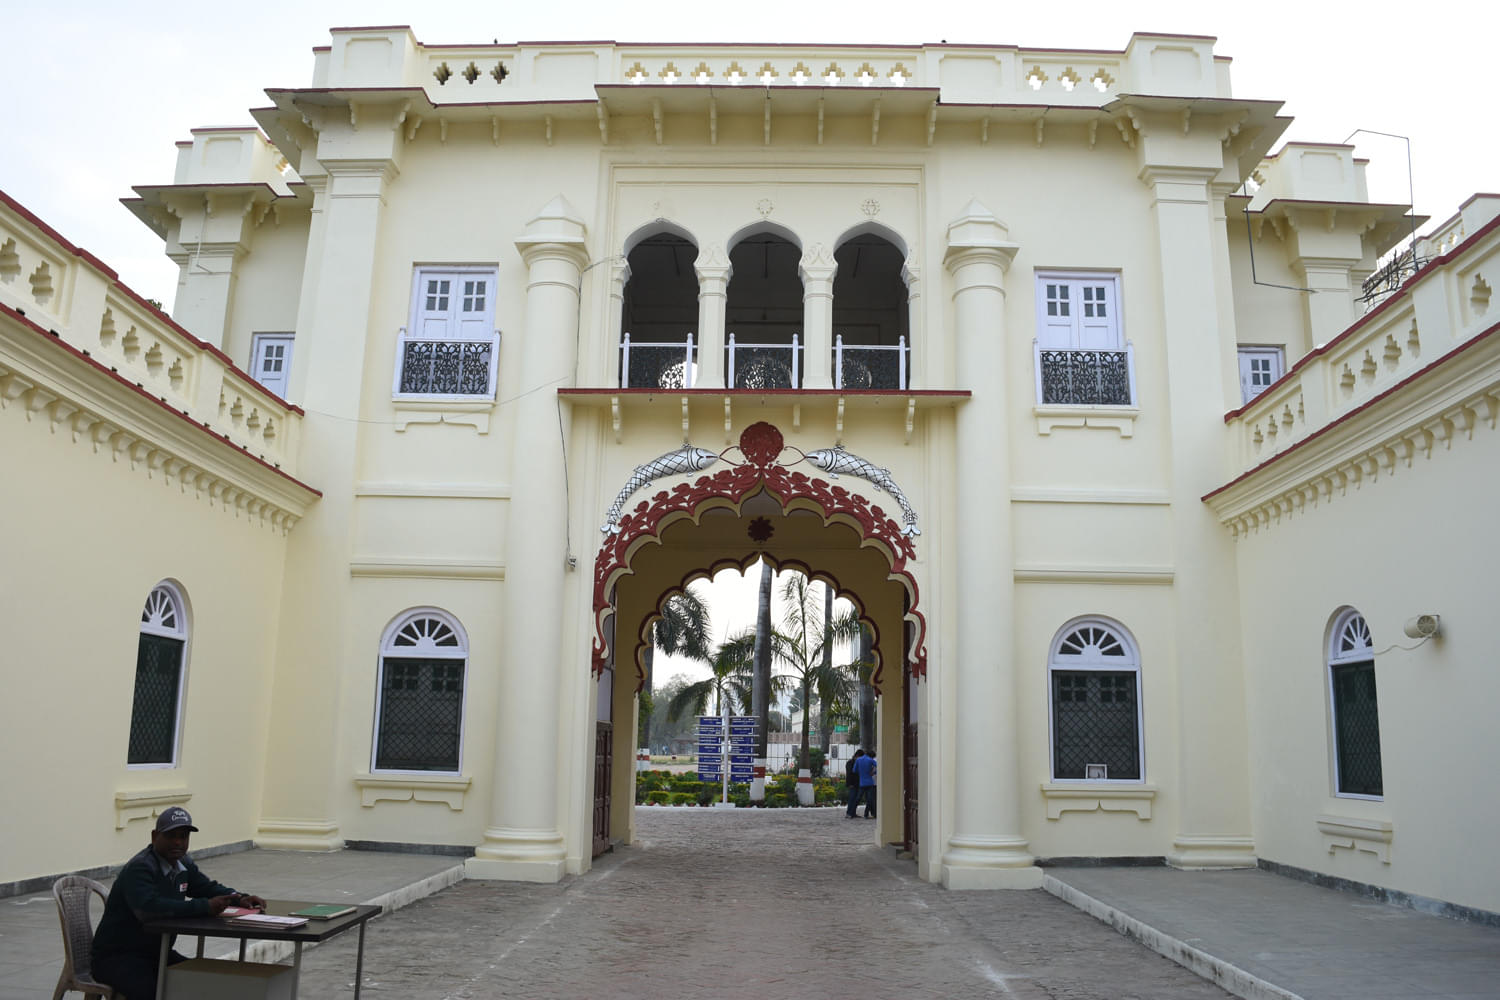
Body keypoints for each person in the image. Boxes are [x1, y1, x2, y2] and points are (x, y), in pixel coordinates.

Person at [92, 807, 266, 999]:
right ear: (154, 836)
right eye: (170, 836)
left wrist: (239, 897)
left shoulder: (183, 863)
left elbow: (206, 887)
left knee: (196, 981)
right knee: (150, 992)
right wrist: (204, 907)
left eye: (183, 836)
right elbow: (149, 909)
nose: (178, 842)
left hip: (155, 953)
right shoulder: (141, 867)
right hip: (118, 957)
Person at [852, 748, 877, 819]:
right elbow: (878, 766)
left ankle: (852, 812)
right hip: (869, 782)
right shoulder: (870, 760)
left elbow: (854, 770)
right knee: (869, 799)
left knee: (858, 799)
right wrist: (873, 772)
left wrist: (861, 772)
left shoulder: (858, 760)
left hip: (862, 782)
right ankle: (866, 814)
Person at [843, 748, 866, 818]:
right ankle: (849, 813)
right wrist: (850, 784)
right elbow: (849, 774)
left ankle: (853, 812)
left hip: (858, 783)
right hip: (852, 784)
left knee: (856, 799)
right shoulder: (850, 763)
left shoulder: (858, 762)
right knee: (852, 798)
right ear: (857, 756)